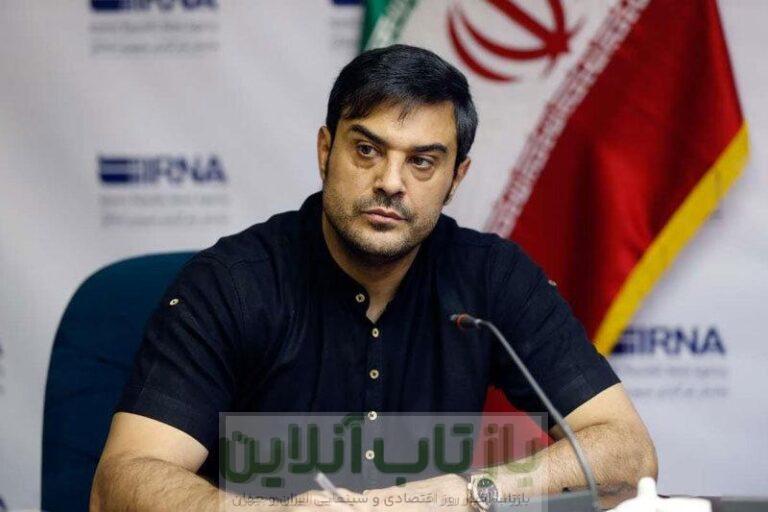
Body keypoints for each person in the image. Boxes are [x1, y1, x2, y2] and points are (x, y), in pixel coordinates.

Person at [90, 44, 657, 512]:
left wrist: (469, 492)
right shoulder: (231, 284)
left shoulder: (492, 278)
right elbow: (120, 483)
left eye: (422, 161)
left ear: (456, 178)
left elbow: (629, 455)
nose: (390, 181)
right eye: (367, 150)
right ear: (325, 150)